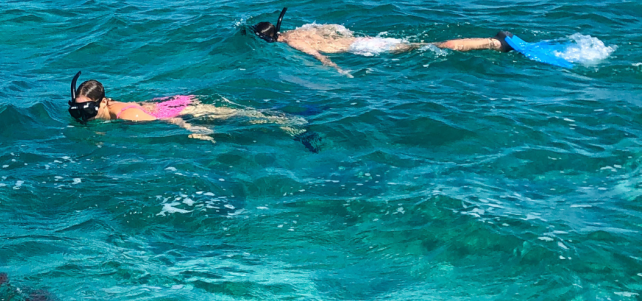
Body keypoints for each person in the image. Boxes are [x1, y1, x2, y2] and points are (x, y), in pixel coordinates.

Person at [249, 8, 512, 77]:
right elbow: (333, 29)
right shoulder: (301, 30)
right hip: (363, 40)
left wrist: (341, 71)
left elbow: (319, 57)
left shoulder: (291, 43)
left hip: (362, 49)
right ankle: (494, 41)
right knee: (424, 44)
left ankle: (496, 43)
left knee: (437, 46)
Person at [66, 72, 309, 144]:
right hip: (168, 103)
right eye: (77, 110)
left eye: (86, 109)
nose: (83, 115)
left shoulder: (129, 115)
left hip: (181, 109)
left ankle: (285, 121)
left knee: (242, 116)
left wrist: (192, 127)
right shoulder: (101, 110)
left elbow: (164, 118)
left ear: (103, 102)